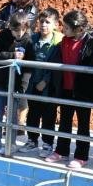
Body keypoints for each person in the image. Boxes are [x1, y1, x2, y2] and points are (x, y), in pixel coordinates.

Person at [44, 10, 93, 169]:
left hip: (83, 90)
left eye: (67, 28)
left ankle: (82, 156)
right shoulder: (65, 41)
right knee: (64, 121)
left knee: (83, 124)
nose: (64, 30)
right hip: (66, 88)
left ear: (79, 29)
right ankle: (61, 150)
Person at [0, 11, 35, 154]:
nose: (19, 34)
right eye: (15, 31)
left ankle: (11, 142)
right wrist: (11, 55)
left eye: (22, 30)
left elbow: (31, 63)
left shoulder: (28, 40)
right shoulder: (4, 35)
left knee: (12, 115)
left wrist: (24, 84)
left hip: (17, 85)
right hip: (1, 81)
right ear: (10, 28)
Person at [19, 8, 63, 157]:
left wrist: (45, 80)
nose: (43, 24)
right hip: (33, 83)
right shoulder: (33, 39)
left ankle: (47, 143)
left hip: (49, 86)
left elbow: (58, 65)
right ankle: (32, 140)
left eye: (47, 22)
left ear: (56, 24)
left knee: (48, 115)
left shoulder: (59, 42)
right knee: (33, 113)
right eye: (41, 21)